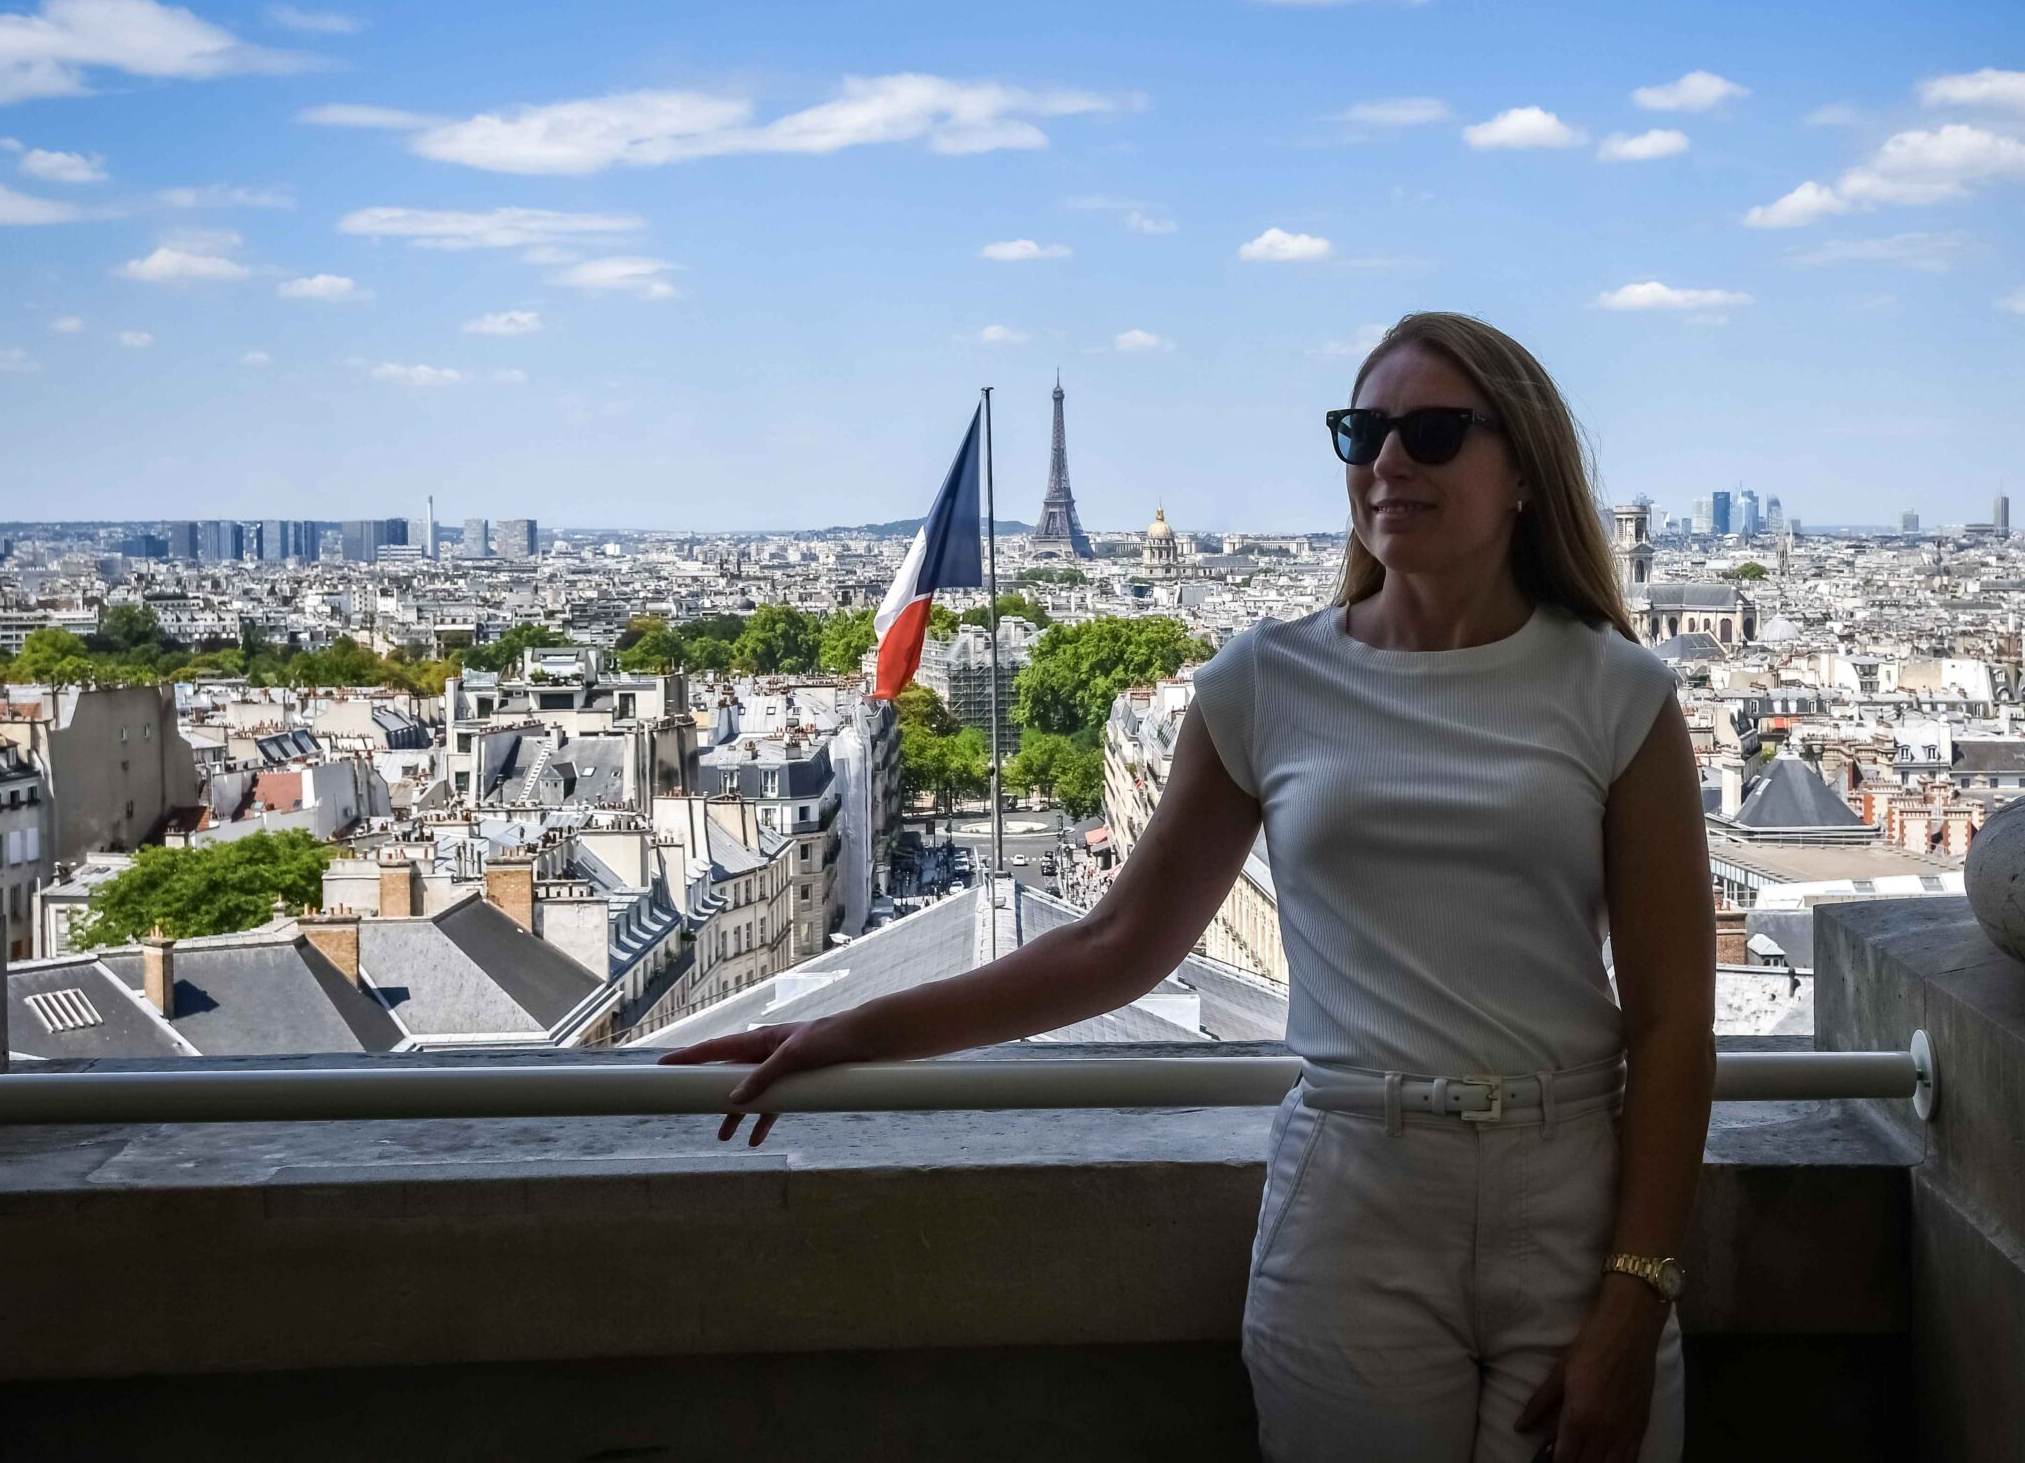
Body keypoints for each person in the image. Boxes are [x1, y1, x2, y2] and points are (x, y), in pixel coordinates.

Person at [662, 312, 1717, 1462]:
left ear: (1523, 468)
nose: (1388, 461)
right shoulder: (1264, 679)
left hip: (1566, 1196)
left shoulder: (1622, 694)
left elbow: (1674, 1023)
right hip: (1354, 1198)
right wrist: (846, 1030)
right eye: (1362, 432)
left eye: (1432, 431)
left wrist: (1637, 1289)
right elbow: (1114, 946)